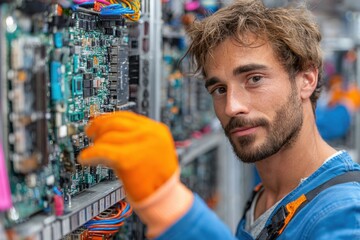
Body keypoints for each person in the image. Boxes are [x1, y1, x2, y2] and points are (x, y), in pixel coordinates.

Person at [78, 0, 360, 239]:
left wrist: (169, 204)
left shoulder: (344, 214)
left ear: (307, 79)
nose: (231, 107)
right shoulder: (269, 196)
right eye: (220, 89)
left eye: (254, 79)